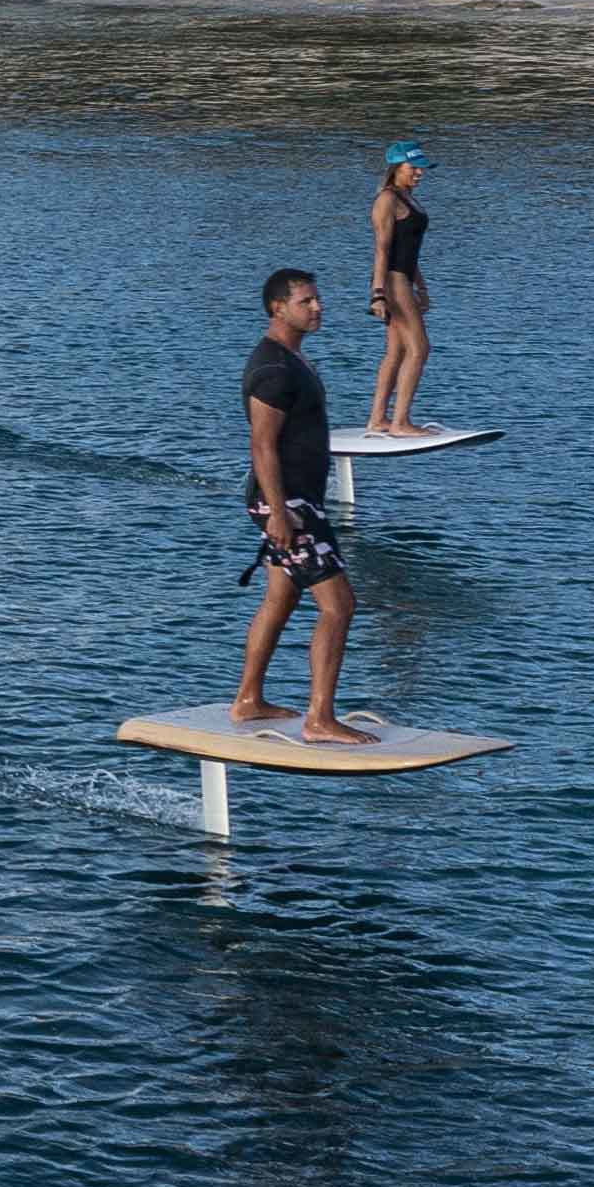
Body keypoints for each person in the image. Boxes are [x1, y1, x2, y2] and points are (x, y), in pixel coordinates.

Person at [236, 268, 368, 744]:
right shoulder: (272, 370)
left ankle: (249, 700)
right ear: (278, 308)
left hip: (296, 499)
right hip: (287, 503)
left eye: (318, 299)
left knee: (282, 596)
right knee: (339, 606)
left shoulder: (292, 360)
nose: (318, 307)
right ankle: (320, 719)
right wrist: (279, 512)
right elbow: (262, 446)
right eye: (307, 301)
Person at [361, 143, 433, 436]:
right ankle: (400, 422)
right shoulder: (387, 200)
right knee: (419, 349)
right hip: (392, 281)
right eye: (413, 167)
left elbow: (410, 250)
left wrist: (422, 287)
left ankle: (378, 419)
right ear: (395, 168)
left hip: (405, 278)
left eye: (421, 168)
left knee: (396, 351)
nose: (419, 173)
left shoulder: (408, 197)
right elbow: (382, 249)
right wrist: (378, 293)